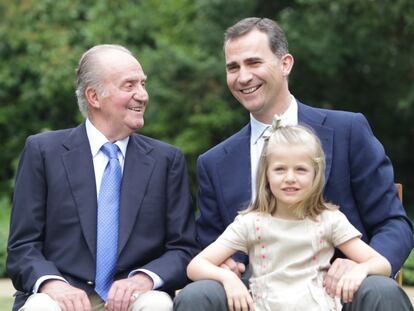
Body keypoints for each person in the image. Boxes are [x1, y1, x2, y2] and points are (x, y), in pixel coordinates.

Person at [174, 17, 413, 310]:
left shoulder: (348, 131)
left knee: (381, 291)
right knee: (197, 296)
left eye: (253, 63)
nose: (243, 76)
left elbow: (393, 222)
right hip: (253, 294)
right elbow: (211, 244)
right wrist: (228, 270)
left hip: (342, 289)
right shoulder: (213, 162)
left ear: (285, 64)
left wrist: (360, 266)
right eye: (233, 67)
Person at [7, 44, 199, 311]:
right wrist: (53, 285)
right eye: (129, 85)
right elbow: (23, 247)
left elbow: (184, 248)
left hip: (138, 296)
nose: (142, 95)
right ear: (94, 97)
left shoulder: (166, 160)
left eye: (143, 84)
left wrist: (144, 279)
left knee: (157, 305)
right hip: (60, 294)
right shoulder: (43, 152)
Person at [187, 122, 392, 311]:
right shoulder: (250, 223)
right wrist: (227, 279)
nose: (290, 178)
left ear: (316, 173)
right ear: (266, 175)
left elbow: (381, 263)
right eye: (280, 169)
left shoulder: (329, 220)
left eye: (301, 169)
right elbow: (196, 266)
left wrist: (360, 269)